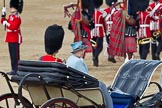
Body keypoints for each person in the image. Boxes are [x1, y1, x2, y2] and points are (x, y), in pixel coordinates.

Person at [66, 41, 113, 108]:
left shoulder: (70, 59)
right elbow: (84, 75)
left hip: (74, 83)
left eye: (83, 50)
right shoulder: (78, 61)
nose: (83, 52)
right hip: (80, 84)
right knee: (102, 85)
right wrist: (94, 78)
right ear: (76, 51)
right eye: (81, 50)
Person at [1, 0, 23, 75]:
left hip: (15, 38)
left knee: (15, 55)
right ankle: (13, 68)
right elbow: (3, 21)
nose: (12, 13)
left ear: (17, 11)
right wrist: (3, 15)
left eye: (13, 12)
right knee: (12, 54)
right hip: (10, 38)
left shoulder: (18, 19)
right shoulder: (11, 17)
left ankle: (17, 69)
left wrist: (6, 22)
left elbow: (13, 27)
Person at [91, 0, 104, 67]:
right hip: (99, 32)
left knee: (93, 46)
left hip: (92, 32)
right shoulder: (101, 13)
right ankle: (95, 56)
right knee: (100, 47)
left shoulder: (91, 13)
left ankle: (95, 61)